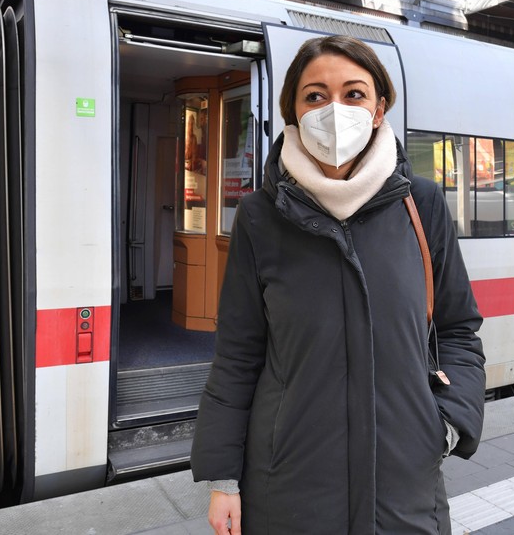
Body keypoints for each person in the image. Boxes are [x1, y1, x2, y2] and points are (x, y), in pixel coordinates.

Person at [190, 35, 486, 535]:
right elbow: (239, 352)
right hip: (287, 486)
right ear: (294, 112)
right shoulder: (260, 217)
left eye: (354, 94)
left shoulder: (423, 206)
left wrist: (446, 425)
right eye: (315, 96)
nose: (334, 110)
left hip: (404, 484)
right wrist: (223, 478)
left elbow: (458, 330)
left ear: (378, 109)